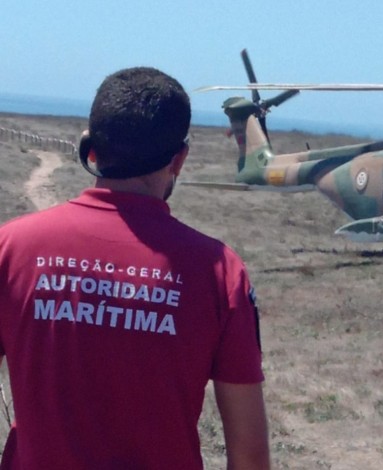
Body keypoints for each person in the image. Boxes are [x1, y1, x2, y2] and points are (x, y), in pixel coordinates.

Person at [0, 67, 270, 469]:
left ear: (90, 150)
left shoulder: (11, 249)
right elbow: (249, 457)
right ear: (179, 160)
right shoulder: (219, 273)